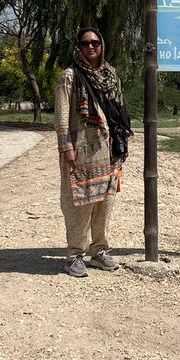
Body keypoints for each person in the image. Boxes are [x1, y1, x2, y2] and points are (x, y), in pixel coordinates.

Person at [55, 27, 128, 278]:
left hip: (109, 149)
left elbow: (119, 110)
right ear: (78, 47)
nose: (91, 47)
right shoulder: (70, 76)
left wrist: (122, 143)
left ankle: (99, 251)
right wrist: (66, 147)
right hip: (81, 149)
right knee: (79, 203)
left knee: (105, 201)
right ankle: (75, 255)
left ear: (102, 45)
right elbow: (62, 115)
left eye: (95, 42)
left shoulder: (110, 75)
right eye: (85, 43)